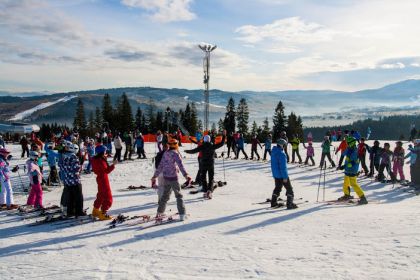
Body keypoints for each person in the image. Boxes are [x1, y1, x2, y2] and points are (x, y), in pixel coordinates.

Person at [151, 139, 190, 221]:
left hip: (166, 177)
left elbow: (160, 166)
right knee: (179, 196)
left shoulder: (165, 153)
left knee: (165, 195)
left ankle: (160, 212)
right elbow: (180, 165)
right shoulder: (175, 154)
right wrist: (186, 175)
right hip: (173, 178)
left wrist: (155, 176)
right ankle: (182, 214)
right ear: (176, 145)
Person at [185, 131, 226, 199]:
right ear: (209, 140)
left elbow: (194, 151)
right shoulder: (212, 146)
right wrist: (224, 135)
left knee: (203, 178)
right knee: (211, 178)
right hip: (210, 164)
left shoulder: (202, 146)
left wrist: (187, 151)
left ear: (204, 140)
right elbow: (222, 143)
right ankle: (209, 191)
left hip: (203, 163)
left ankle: (205, 191)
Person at [338, 136, 368, 204]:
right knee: (346, 183)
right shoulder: (349, 149)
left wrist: (344, 166)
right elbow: (343, 154)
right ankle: (347, 195)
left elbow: (352, 162)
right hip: (347, 169)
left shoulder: (355, 151)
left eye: (348, 143)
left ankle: (363, 198)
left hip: (352, 169)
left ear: (352, 143)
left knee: (353, 184)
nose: (347, 144)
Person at [270, 138, 297, 209]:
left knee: (278, 187)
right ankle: (289, 204)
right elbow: (283, 167)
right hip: (282, 175)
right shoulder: (281, 154)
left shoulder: (274, 152)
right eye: (285, 145)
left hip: (276, 174)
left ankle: (273, 202)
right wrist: (285, 177)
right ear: (282, 145)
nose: (285, 146)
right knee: (289, 189)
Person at [91, 145, 117, 220]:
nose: (106, 153)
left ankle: (95, 210)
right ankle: (103, 213)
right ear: (102, 152)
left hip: (100, 178)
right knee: (108, 197)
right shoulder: (100, 160)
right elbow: (106, 170)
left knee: (101, 195)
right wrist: (114, 165)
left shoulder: (96, 159)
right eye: (105, 151)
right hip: (103, 179)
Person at [60, 141, 85, 217]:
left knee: (70, 197)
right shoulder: (74, 157)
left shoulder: (64, 156)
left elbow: (62, 166)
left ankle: (70, 211)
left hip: (67, 180)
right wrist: (80, 167)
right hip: (75, 180)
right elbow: (76, 169)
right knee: (78, 197)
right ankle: (79, 211)